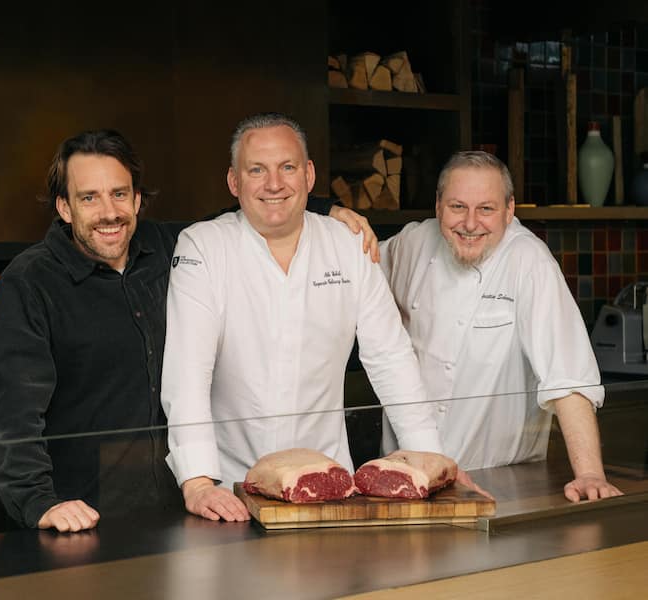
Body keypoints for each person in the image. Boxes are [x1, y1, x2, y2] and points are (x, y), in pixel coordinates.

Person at [0, 128, 375, 532]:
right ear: (64, 208)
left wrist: (325, 209)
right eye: (89, 197)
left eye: (119, 194)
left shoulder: (170, 247)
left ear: (137, 200)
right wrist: (39, 502)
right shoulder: (29, 284)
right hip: (80, 515)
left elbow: (252, 209)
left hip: (179, 507)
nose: (109, 212)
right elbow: (13, 414)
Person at [160, 113, 449, 523]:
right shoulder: (202, 246)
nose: (274, 184)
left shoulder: (347, 245)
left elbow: (391, 358)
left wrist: (428, 460)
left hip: (329, 486)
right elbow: (187, 372)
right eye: (256, 169)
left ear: (310, 175)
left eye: (288, 167)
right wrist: (198, 482)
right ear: (234, 182)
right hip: (230, 491)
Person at [379, 150, 623, 502]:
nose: (470, 223)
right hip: (406, 480)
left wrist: (589, 474)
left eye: (486, 209)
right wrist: (333, 216)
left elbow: (568, 377)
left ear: (510, 210)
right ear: (437, 207)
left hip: (496, 483)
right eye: (457, 207)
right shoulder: (413, 244)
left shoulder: (529, 261)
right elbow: (355, 269)